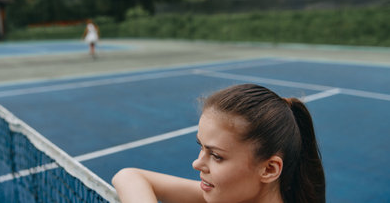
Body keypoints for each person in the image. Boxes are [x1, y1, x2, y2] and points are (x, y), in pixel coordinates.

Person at [112, 84, 325, 203]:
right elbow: (128, 176)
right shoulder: (231, 197)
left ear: (269, 169)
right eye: (201, 147)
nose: (197, 164)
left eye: (216, 156)